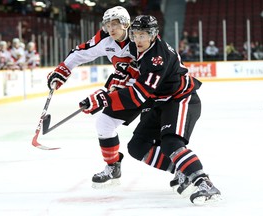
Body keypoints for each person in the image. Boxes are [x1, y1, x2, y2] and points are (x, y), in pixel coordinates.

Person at [79, 15, 221, 205]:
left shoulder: (157, 58)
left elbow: (139, 95)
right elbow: (128, 66)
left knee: (171, 143)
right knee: (137, 147)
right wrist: (117, 79)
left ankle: (203, 182)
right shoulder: (134, 45)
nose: (138, 39)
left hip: (179, 99)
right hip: (158, 101)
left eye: (143, 35)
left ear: (153, 35)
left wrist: (104, 98)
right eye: (135, 34)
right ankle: (181, 171)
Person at [46, 6, 161, 188]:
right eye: (107, 24)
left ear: (126, 24)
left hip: (152, 90)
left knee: (161, 136)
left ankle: (181, 169)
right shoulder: (103, 39)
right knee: (104, 123)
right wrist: (62, 70)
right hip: (128, 92)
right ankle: (112, 166)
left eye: (115, 24)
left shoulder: (140, 36)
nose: (111, 28)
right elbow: (80, 53)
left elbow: (156, 66)